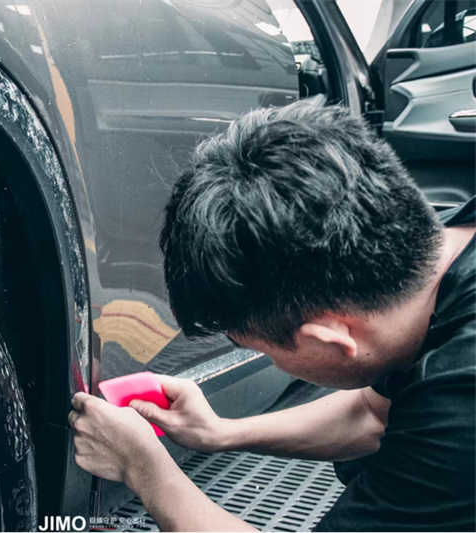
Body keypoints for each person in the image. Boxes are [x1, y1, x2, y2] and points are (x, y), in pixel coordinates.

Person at [68, 101, 476, 532]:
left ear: (327, 339)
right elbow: (373, 415)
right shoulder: (449, 246)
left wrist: (145, 468)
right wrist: (219, 433)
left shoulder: (461, 408)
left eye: (263, 351)